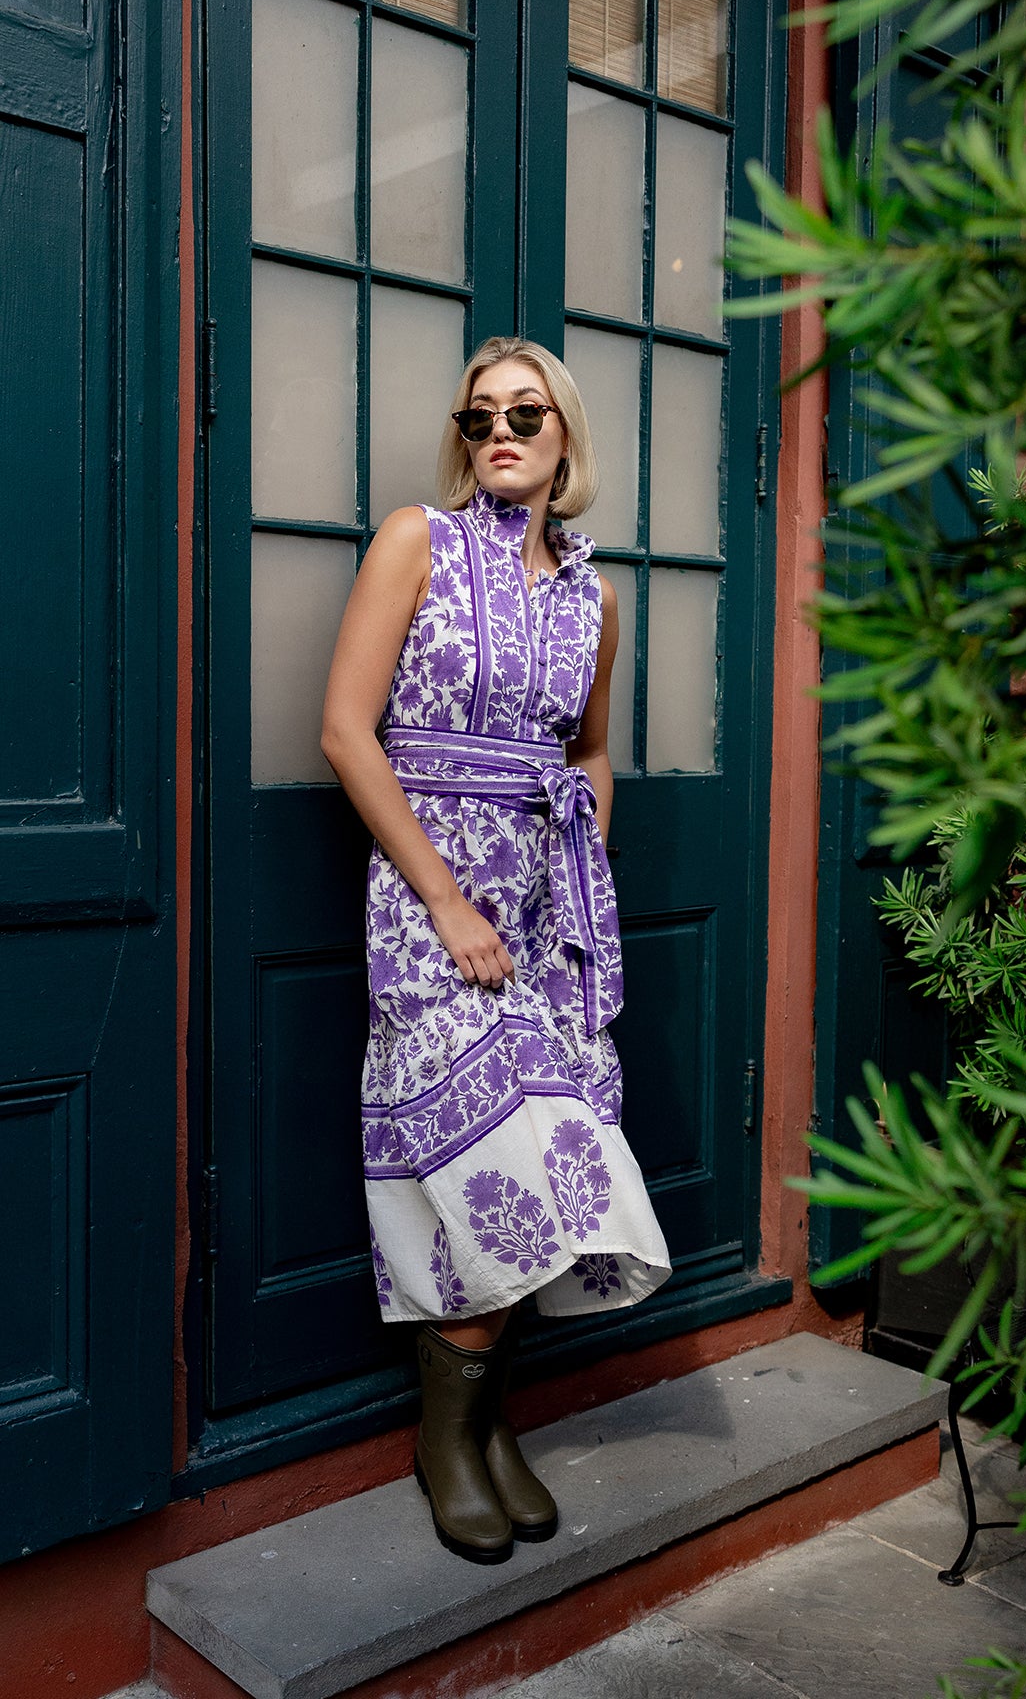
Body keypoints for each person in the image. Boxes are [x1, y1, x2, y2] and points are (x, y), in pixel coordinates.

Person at [321, 336, 671, 1567]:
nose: (501, 432)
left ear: (566, 435)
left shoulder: (594, 594)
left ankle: (482, 1428)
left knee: (537, 1184)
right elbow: (346, 732)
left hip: (544, 911)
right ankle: (446, 1441)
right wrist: (448, 903)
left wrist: (581, 896)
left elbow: (587, 752)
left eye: (527, 413)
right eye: (479, 418)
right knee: (488, 1173)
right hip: (431, 905)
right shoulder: (415, 540)